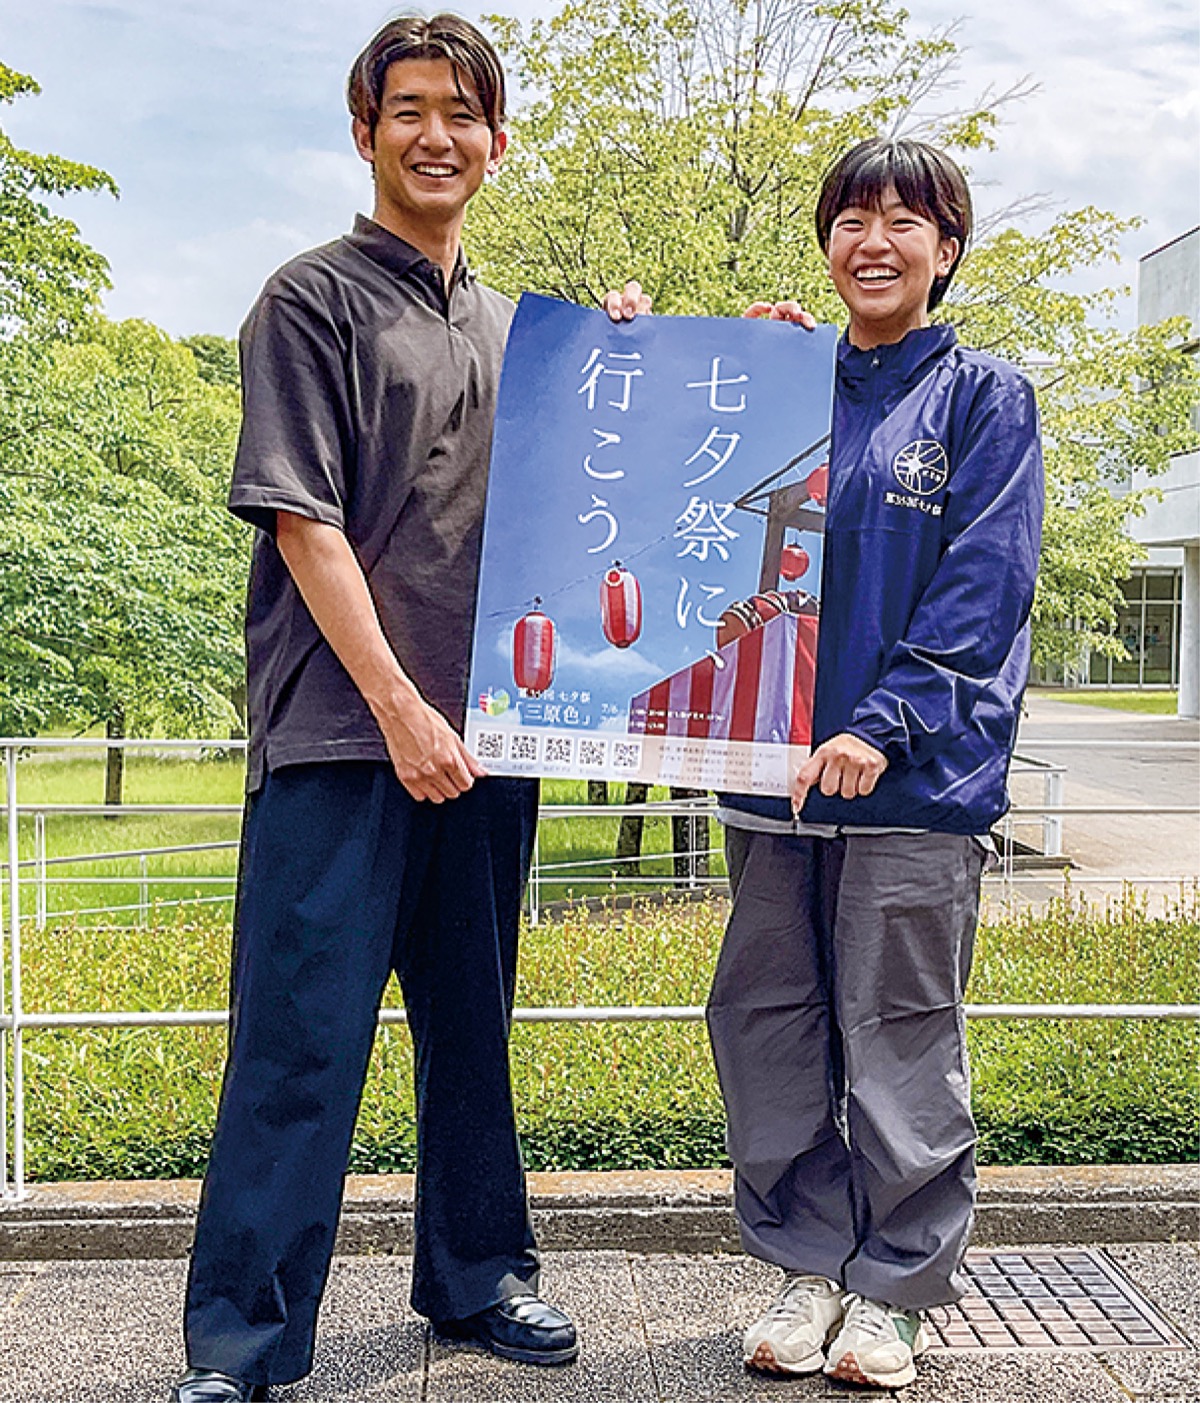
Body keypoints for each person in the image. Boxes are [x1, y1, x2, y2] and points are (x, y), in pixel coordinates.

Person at [173, 17, 579, 1403]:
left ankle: (478, 1276)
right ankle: (242, 1339)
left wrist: (647, 355)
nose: (435, 136)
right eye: (407, 110)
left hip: (495, 734)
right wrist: (401, 706)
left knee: (472, 1028)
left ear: (497, 143)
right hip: (344, 739)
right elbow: (304, 521)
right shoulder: (310, 300)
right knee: (298, 1041)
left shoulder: (518, 329)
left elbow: (613, 476)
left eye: (462, 113)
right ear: (365, 132)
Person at [608, 136, 1042, 1390]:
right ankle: (806, 1263)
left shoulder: (983, 399)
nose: (876, 240)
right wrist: (647, 356)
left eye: (907, 220)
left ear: (947, 250)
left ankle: (896, 1287)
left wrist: (883, 721)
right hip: (771, 778)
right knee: (771, 1025)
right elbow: (662, 509)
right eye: (854, 217)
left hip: (913, 784)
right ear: (827, 242)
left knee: (901, 1033)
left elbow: (985, 585)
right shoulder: (779, 383)